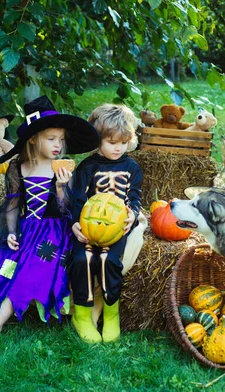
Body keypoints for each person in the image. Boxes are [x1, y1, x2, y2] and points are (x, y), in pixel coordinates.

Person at [0, 96, 100, 345]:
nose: (57, 145)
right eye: (51, 139)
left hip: (53, 234)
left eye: (60, 139)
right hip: (25, 229)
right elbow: (12, 204)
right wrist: (9, 232)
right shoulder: (19, 167)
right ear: (33, 138)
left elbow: (67, 210)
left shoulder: (61, 168)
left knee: (28, 269)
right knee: (5, 267)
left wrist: (61, 187)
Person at [68, 104, 143, 344]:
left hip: (117, 227)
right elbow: (77, 199)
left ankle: (111, 315)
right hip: (88, 227)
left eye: (123, 142)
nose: (118, 147)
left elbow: (134, 196)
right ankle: (81, 315)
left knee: (110, 261)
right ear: (97, 140)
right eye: (111, 142)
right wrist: (75, 224)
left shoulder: (131, 167)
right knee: (82, 259)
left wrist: (132, 214)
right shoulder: (88, 167)